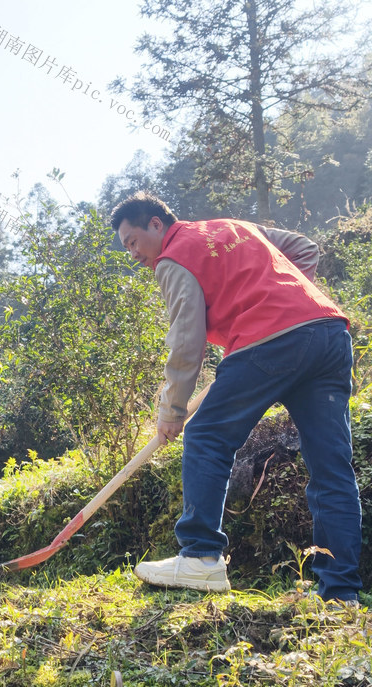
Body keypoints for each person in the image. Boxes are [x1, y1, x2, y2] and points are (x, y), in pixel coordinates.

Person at [111, 191, 360, 603]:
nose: (134, 254)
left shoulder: (173, 259)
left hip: (270, 341)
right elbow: (304, 248)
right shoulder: (234, 227)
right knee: (332, 469)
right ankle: (341, 593)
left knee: (206, 434)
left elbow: (186, 342)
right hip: (328, 333)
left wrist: (172, 410)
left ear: (156, 224)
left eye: (133, 242)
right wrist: (288, 302)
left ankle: (201, 557)